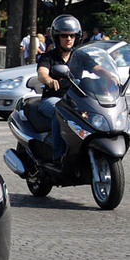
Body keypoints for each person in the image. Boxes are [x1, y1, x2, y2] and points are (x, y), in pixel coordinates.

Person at [37, 14, 117, 165]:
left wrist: (110, 76)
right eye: (64, 35)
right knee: (59, 111)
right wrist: (49, 80)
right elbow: (42, 73)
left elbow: (98, 69)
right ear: (57, 37)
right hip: (53, 99)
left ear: (77, 37)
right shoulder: (48, 57)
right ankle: (59, 155)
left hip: (74, 99)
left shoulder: (80, 56)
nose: (69, 39)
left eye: (72, 36)